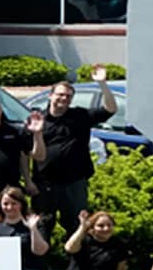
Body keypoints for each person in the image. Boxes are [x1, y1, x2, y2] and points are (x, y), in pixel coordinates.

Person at [35, 65, 118, 237]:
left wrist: (102, 83)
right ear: (50, 96)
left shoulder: (80, 116)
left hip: (75, 183)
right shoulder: (38, 120)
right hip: (45, 184)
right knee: (42, 227)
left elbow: (110, 109)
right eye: (60, 94)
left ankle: (77, 263)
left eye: (68, 96)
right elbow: (27, 152)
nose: (63, 98)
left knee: (77, 228)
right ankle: (41, 263)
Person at [51, 211, 129, 270]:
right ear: (92, 228)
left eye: (109, 225)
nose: (106, 228)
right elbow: (69, 248)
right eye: (100, 226)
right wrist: (82, 227)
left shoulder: (119, 245)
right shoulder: (83, 239)